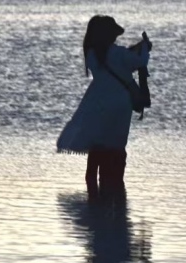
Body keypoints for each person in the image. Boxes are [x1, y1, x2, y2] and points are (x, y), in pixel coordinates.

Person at [57, 15, 151, 194]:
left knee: (98, 144)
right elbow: (139, 61)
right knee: (117, 145)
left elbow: (120, 61)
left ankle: (94, 197)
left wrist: (136, 48)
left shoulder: (92, 55)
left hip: (98, 101)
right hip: (120, 104)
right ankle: (114, 192)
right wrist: (145, 48)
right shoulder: (119, 53)